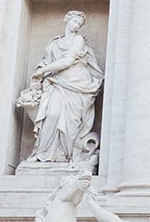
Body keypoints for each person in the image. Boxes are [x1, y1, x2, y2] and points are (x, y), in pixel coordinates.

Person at [21, 11, 104, 163]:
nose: (76, 25)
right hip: (56, 82)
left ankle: (65, 155)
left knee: (71, 121)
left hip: (76, 83)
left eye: (79, 24)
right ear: (67, 20)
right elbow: (46, 61)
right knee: (51, 115)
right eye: (74, 22)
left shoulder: (78, 40)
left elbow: (67, 61)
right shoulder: (54, 43)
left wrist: (43, 71)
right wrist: (39, 73)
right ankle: (43, 153)